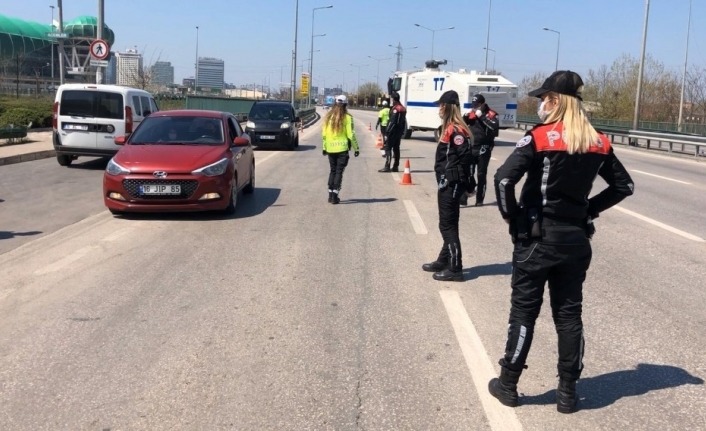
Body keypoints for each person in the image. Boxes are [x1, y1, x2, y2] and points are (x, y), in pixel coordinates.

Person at [487, 70, 634, 413]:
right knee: (569, 317)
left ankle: (508, 384)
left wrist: (513, 217)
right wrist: (588, 212)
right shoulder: (597, 139)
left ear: (555, 101)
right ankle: (568, 393)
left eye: (542, 99)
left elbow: (503, 179)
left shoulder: (539, 137)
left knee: (524, 312)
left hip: (538, 238)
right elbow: (624, 186)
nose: (538, 105)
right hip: (576, 240)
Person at [422, 90, 473, 282]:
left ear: (447, 106)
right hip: (448, 181)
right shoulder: (450, 127)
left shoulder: (457, 130)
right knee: (449, 223)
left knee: (447, 225)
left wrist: (468, 183)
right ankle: (444, 259)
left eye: (441, 105)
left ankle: (455, 267)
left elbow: (466, 157)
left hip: (451, 182)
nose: (439, 109)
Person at [462, 94, 499, 206]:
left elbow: (494, 127)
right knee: (468, 173)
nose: (475, 107)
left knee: (481, 175)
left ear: (482, 104)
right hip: (472, 147)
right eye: (474, 105)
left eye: (477, 105)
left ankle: (479, 200)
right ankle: (465, 197)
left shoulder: (491, 114)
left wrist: (482, 116)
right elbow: (464, 126)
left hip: (484, 148)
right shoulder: (472, 113)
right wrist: (465, 117)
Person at [322, 95, 359, 204]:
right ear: (346, 104)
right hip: (342, 149)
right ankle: (335, 196)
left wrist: (324, 147)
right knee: (339, 172)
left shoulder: (328, 116)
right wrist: (356, 148)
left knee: (332, 170)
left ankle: (330, 195)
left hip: (330, 149)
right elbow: (351, 135)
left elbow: (324, 134)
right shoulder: (347, 117)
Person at [379, 92, 406, 172]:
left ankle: (387, 166)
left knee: (388, 148)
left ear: (394, 99)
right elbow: (403, 121)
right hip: (399, 131)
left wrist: (387, 132)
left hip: (393, 131)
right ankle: (396, 166)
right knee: (396, 148)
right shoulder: (403, 108)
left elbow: (392, 122)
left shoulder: (395, 109)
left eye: (391, 98)